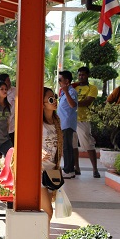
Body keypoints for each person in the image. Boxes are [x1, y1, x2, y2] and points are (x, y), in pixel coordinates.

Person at [41, 87, 64, 228]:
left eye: (55, 98)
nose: (54, 101)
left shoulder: (56, 121)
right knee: (48, 211)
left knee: (46, 214)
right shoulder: (38, 122)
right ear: (42, 103)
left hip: (51, 171)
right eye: (50, 99)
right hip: (38, 172)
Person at [75, 66, 100, 178]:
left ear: (88, 75)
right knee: (72, 145)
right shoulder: (73, 86)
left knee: (88, 145)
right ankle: (76, 168)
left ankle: (95, 169)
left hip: (83, 119)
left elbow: (87, 102)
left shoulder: (92, 88)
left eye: (83, 75)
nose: (81, 77)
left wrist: (72, 102)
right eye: (79, 75)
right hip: (71, 119)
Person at [58, 70, 79, 178]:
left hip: (67, 123)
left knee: (67, 147)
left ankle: (68, 169)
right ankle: (70, 169)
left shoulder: (71, 92)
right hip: (63, 123)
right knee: (66, 147)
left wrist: (66, 92)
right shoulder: (63, 92)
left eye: (60, 80)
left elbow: (73, 105)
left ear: (67, 81)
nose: (59, 82)